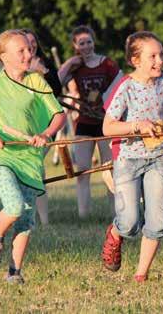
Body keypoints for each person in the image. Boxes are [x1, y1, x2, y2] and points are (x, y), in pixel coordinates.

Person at [0, 30, 66, 284]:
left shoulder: (37, 82)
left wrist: (46, 133)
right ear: (4, 56)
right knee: (14, 206)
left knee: (27, 218)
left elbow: (58, 114)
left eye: (29, 49)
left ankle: (14, 272)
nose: (28, 54)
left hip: (29, 159)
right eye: (20, 51)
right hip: (0, 155)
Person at [101, 31, 163, 283]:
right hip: (129, 160)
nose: (160, 61)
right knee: (130, 221)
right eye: (152, 56)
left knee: (157, 220)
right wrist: (137, 126)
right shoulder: (126, 87)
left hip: (157, 159)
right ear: (136, 60)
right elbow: (108, 127)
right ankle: (115, 232)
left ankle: (141, 274)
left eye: (161, 54)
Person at [58, 25, 120, 218]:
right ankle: (83, 215)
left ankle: (117, 213)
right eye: (81, 43)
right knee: (82, 172)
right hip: (84, 122)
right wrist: (69, 63)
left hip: (106, 123)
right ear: (75, 45)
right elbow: (55, 82)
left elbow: (121, 87)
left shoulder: (107, 64)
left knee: (110, 172)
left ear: (94, 42)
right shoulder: (76, 66)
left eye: (89, 42)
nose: (86, 46)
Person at [22, 28, 63, 225]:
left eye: (33, 43)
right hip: (20, 127)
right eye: (26, 43)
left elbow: (57, 93)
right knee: (27, 170)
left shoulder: (45, 65)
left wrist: (43, 72)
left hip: (45, 126)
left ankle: (44, 220)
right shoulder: (14, 67)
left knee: (37, 167)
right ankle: (22, 213)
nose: (31, 46)